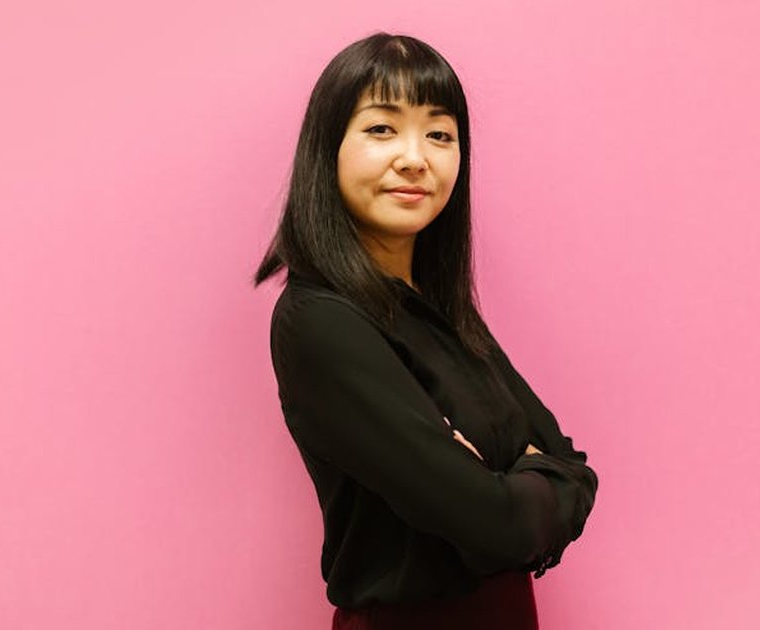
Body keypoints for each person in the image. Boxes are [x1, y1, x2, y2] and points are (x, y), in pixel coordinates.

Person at [253, 32, 599, 629]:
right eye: (381, 129)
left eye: (439, 134)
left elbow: (574, 466)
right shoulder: (320, 321)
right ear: (328, 148)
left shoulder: (441, 312)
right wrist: (521, 481)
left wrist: (513, 481)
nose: (415, 158)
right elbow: (496, 527)